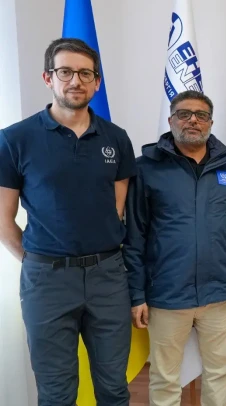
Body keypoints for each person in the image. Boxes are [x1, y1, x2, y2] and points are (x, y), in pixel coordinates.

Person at [0, 38, 136, 405]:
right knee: (57, 393)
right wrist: (37, 261)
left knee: (114, 388)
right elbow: (3, 220)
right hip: (47, 282)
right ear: (48, 77)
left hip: (108, 278)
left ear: (97, 82)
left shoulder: (117, 139)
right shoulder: (14, 139)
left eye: (85, 73)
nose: (75, 81)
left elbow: (116, 209)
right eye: (65, 72)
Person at [122, 90, 226, 406]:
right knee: (165, 377)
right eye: (184, 114)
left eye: (201, 115)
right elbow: (134, 236)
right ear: (171, 120)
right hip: (167, 295)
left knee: (219, 372)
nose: (193, 120)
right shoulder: (146, 168)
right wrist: (137, 295)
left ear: (210, 122)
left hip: (219, 293)